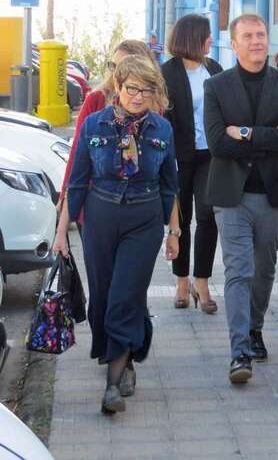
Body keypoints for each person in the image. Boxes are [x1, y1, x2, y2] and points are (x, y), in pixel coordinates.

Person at [53, 55, 179, 414]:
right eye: (132, 88)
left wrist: (174, 232)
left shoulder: (161, 129)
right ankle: (127, 358)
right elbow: (75, 183)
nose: (139, 96)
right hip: (100, 217)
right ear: (118, 88)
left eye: (147, 89)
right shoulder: (94, 124)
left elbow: (171, 185)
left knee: (125, 296)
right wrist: (62, 233)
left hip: (144, 218)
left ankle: (112, 385)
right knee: (104, 299)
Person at [203, 13, 278, 384]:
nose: (256, 40)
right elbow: (217, 142)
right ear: (234, 44)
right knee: (238, 271)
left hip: (274, 193)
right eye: (247, 35)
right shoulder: (216, 86)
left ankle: (255, 327)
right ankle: (239, 351)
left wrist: (245, 133)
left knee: (264, 270)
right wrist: (268, 136)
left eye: (261, 34)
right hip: (231, 195)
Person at [58, 40, 156, 231]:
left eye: (125, 66)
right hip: (96, 206)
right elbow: (77, 156)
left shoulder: (154, 107)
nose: (116, 72)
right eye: (113, 66)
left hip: (140, 209)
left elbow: (164, 166)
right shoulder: (97, 99)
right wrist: (65, 201)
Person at [161, 14, 223, 314]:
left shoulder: (214, 69)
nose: (211, 39)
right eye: (206, 35)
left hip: (210, 155)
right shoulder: (167, 72)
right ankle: (181, 281)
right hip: (179, 156)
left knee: (208, 216)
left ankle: (202, 281)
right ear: (192, 37)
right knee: (181, 219)